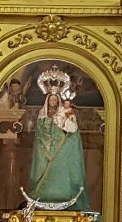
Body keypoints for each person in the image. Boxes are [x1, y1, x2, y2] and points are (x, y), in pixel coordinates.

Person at [24, 66, 90, 210]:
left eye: (55, 99)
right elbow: (40, 133)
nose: (53, 102)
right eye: (51, 100)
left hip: (60, 147)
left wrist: (65, 120)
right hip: (45, 149)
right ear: (48, 101)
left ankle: (63, 194)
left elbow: (72, 129)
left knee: (59, 169)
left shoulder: (63, 114)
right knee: (42, 172)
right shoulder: (43, 116)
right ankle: (41, 196)